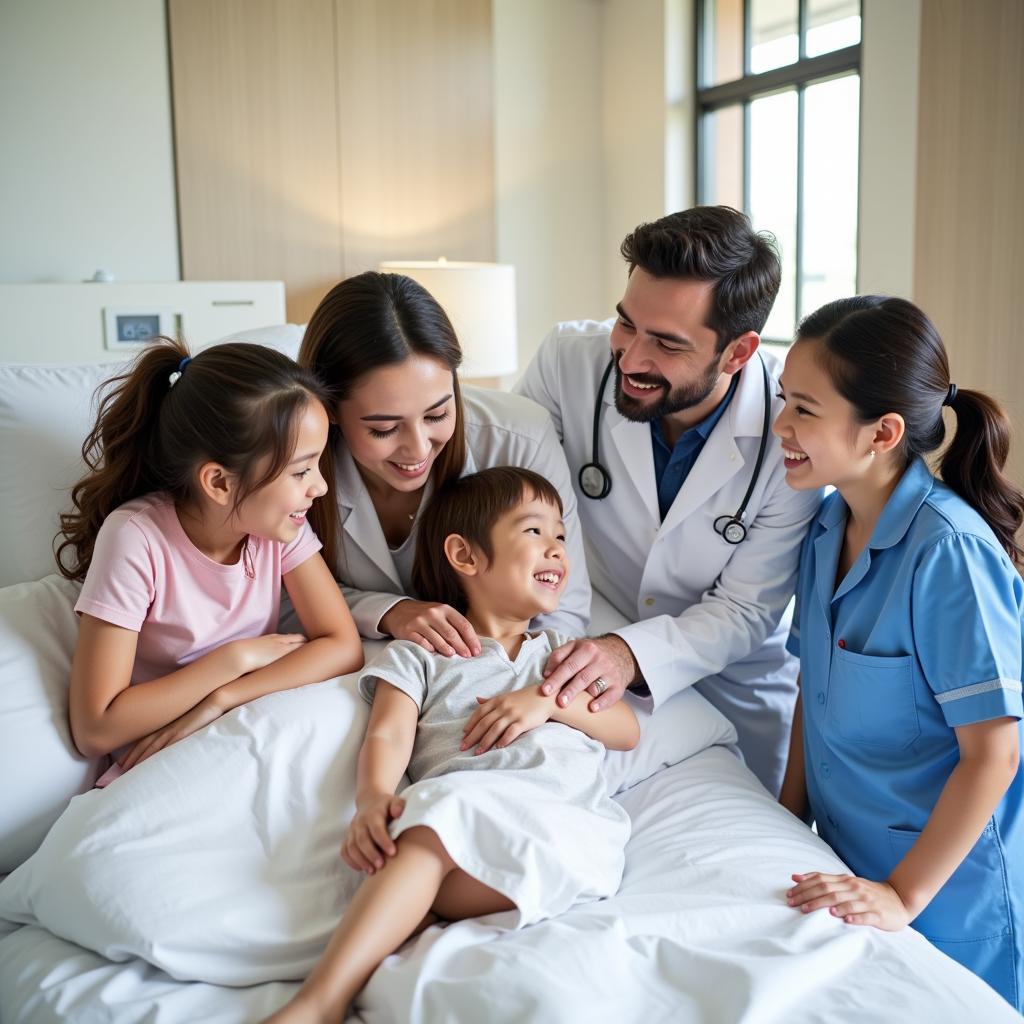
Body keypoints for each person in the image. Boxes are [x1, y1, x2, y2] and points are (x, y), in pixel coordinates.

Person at [263, 466, 638, 1023]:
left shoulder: (562, 653)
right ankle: (327, 994)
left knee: (440, 817)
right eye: (536, 532)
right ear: (465, 556)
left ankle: (323, 998)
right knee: (423, 826)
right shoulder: (422, 654)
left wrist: (546, 701)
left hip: (568, 833)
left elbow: (627, 729)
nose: (558, 550)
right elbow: (389, 731)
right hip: (467, 844)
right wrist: (372, 798)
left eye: (562, 536)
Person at [515, 206, 821, 795]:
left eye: (666, 344)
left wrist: (631, 655)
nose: (630, 359)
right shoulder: (565, 364)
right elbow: (518, 517)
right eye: (626, 324)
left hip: (733, 677)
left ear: (737, 353)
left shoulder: (793, 423)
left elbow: (747, 609)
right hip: (585, 626)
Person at [774, 296, 1024, 1010]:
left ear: (882, 432)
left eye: (805, 410)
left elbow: (995, 755)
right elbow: (812, 691)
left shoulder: (949, 553)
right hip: (847, 863)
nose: (781, 427)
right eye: (784, 401)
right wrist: (787, 822)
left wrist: (902, 894)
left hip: (946, 892)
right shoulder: (826, 526)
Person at [56, 340, 363, 778]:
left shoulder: (277, 527)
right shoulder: (135, 539)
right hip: (165, 755)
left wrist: (226, 696)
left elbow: (343, 647)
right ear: (219, 482)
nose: (320, 487)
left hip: (245, 723)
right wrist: (231, 662)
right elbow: (96, 726)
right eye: (301, 471)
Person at [297, 271, 590, 658]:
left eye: (437, 415)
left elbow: (562, 612)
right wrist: (388, 612)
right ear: (331, 410)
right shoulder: (294, 462)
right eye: (384, 428)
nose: (418, 448)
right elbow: (275, 605)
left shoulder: (522, 435)